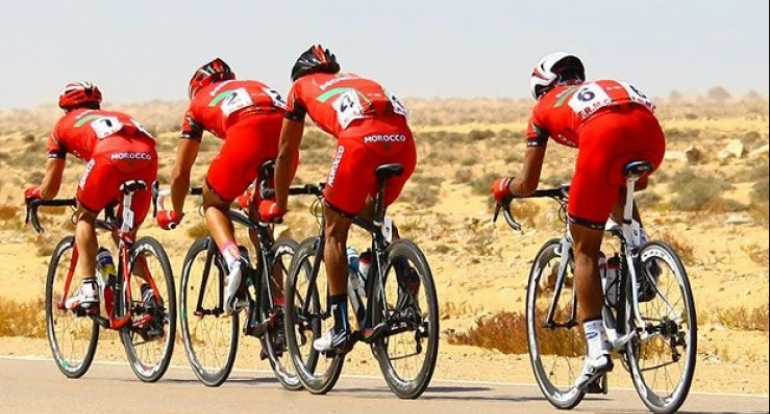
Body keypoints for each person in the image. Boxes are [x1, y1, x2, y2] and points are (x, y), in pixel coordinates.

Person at [491, 52, 665, 390]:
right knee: (619, 186)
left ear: (542, 86)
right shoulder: (599, 86)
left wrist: (504, 188)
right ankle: (639, 252)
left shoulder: (544, 107)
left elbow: (528, 183)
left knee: (585, 249)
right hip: (650, 136)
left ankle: (596, 349)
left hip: (603, 139)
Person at [258, 45, 418, 353]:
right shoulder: (356, 79)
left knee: (334, 231)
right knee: (375, 213)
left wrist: (280, 201)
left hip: (359, 144)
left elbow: (285, 152)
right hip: (403, 142)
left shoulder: (300, 88)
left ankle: (340, 327)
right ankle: (397, 276)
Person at [156, 58, 293, 314]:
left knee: (214, 203)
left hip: (246, 134)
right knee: (260, 222)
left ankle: (233, 260)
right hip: (286, 137)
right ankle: (278, 303)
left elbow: (180, 173)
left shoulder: (198, 103)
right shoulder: (255, 84)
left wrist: (175, 211)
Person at [25, 80, 158, 312]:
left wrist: (34, 193)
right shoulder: (117, 115)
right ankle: (148, 294)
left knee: (85, 216)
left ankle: (88, 287)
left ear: (66, 107)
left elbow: (50, 189)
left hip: (108, 158)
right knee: (126, 235)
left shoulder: (62, 126)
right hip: (148, 156)